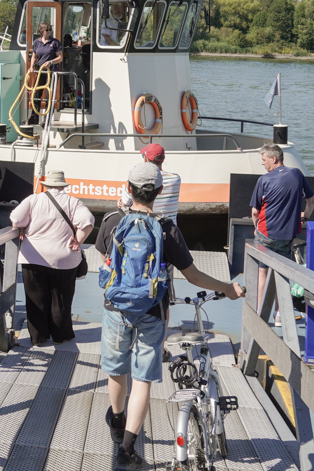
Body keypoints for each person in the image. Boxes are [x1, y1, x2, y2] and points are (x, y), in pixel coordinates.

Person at [97, 162, 243, 467]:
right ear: (159, 192)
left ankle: (116, 419)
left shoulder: (112, 222)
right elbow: (194, 276)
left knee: (116, 369)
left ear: (128, 188)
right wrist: (227, 288)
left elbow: (106, 263)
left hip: (116, 308)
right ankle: (126, 449)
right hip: (152, 310)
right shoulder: (166, 229)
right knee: (142, 379)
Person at [10, 170, 94, 347]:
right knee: (61, 300)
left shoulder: (34, 199)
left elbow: (16, 219)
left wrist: (21, 228)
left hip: (33, 256)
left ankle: (38, 337)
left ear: (46, 185)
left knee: (36, 300)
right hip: (64, 258)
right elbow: (87, 221)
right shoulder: (73, 202)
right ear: (63, 186)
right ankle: (60, 335)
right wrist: (77, 241)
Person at [250, 143, 314, 310]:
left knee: (263, 272)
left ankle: (261, 311)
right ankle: (280, 314)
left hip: (266, 234)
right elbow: (312, 201)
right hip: (287, 236)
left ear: (273, 159)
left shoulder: (263, 180)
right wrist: (305, 216)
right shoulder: (296, 174)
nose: (263, 163)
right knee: (282, 274)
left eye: (264, 160)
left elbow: (255, 213)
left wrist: (256, 227)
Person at [131, 143, 180, 222]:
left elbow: (124, 203)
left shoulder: (141, 179)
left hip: (147, 227)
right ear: (163, 159)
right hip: (170, 229)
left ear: (145, 159)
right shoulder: (176, 179)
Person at [28, 22, 62, 124]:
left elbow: (60, 57)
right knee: (36, 94)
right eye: (47, 30)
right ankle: (34, 117)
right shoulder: (37, 42)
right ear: (41, 31)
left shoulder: (55, 42)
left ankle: (47, 119)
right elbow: (34, 55)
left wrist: (51, 62)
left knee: (49, 95)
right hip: (40, 71)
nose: (49, 32)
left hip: (51, 72)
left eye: (50, 30)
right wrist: (31, 67)